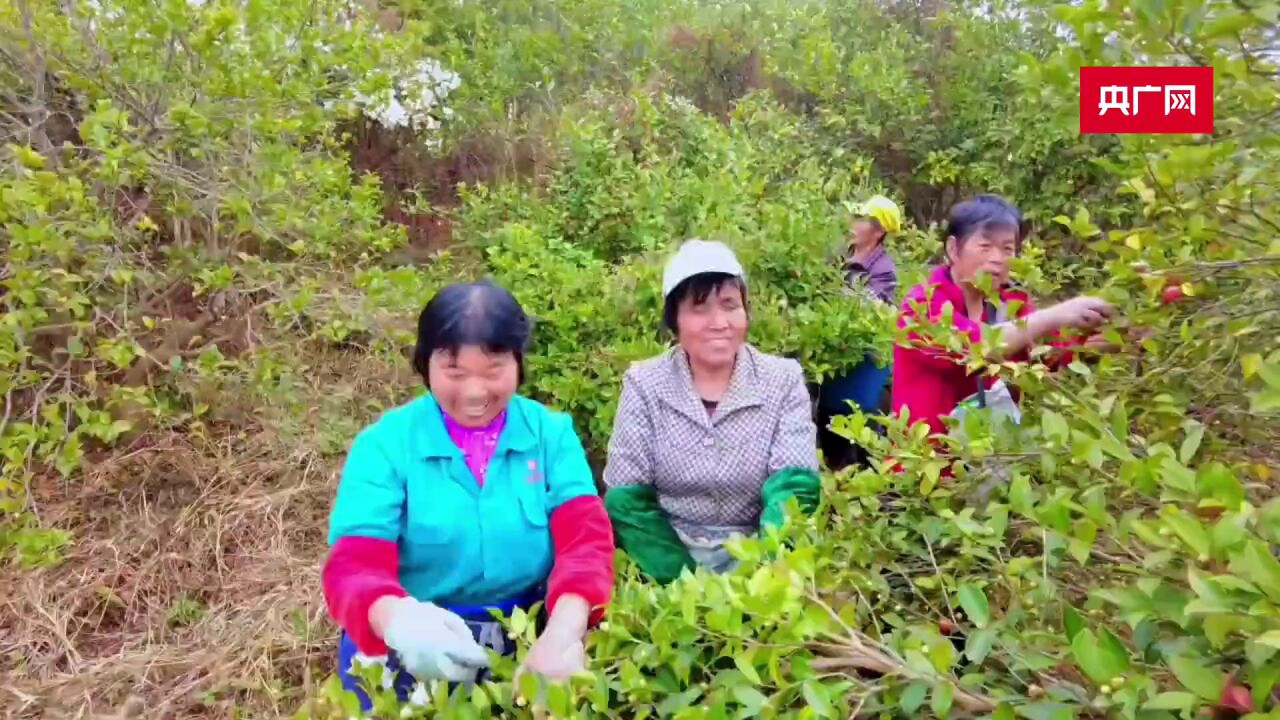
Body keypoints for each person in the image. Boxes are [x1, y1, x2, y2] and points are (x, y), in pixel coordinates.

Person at [321, 281, 615, 709]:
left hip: (527, 640)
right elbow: (353, 564)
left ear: (518, 361)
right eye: (455, 372)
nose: (475, 393)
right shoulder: (384, 445)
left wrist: (564, 631)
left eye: (493, 369)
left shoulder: (550, 436)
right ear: (426, 366)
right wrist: (398, 620)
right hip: (412, 647)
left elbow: (585, 540)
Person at [602, 239, 821, 583]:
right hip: (667, 555)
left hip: (757, 556)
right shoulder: (645, 383)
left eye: (730, 305)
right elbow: (626, 501)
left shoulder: (782, 380)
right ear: (674, 319)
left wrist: (760, 577)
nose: (719, 322)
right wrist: (684, 585)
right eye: (699, 308)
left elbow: (794, 490)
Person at [892, 194, 1116, 437]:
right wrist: (1055, 315)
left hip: (991, 461)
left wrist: (1100, 343)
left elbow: (1050, 355)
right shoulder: (922, 305)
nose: (997, 258)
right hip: (927, 463)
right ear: (954, 249)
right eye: (985, 246)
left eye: (1007, 248)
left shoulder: (1013, 304)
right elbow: (975, 346)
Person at [818, 195, 903, 469]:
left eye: (861, 219)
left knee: (860, 426)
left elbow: (875, 311)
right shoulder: (839, 256)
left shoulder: (883, 270)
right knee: (828, 421)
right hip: (835, 356)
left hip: (862, 362)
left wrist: (843, 294)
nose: (852, 224)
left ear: (878, 231)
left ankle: (864, 495)